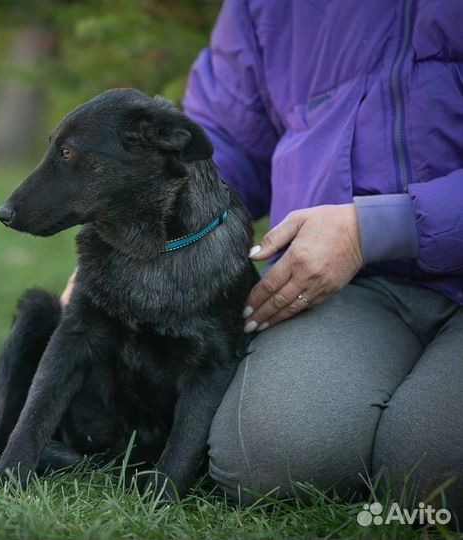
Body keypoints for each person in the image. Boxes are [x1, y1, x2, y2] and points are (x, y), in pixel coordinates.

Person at [64, 0, 462, 520]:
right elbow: (220, 146)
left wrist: (376, 228)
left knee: (431, 471)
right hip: (335, 284)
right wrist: (134, 239)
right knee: (267, 456)